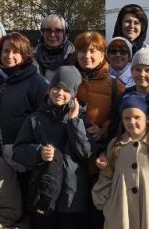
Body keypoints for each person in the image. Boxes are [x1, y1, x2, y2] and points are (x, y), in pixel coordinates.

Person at [14, 66, 93, 228]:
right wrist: (38, 153)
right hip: (43, 192)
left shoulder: (82, 120)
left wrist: (73, 122)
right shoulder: (35, 119)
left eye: (66, 90)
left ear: (73, 94)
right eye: (56, 87)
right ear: (49, 88)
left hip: (72, 198)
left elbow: (85, 153)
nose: (60, 93)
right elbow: (18, 151)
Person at [92, 93, 149, 229]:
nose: (132, 122)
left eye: (137, 117)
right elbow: (106, 176)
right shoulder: (115, 146)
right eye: (127, 118)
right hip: (120, 214)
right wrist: (107, 202)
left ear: (147, 119)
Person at [0, 32, 49, 171]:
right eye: (6, 50)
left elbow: (43, 120)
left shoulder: (36, 82)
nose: (9, 56)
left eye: (16, 51)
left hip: (22, 158)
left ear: (25, 54)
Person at [73, 31, 125, 160]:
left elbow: (123, 117)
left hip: (101, 155)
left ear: (102, 55)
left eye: (92, 51)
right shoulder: (68, 79)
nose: (86, 55)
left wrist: (104, 130)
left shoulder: (115, 85)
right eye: (82, 51)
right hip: (72, 153)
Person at [34, 14, 75, 82]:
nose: (52, 35)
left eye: (58, 30)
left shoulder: (75, 58)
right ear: (42, 33)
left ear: (65, 33)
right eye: (48, 30)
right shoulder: (32, 58)